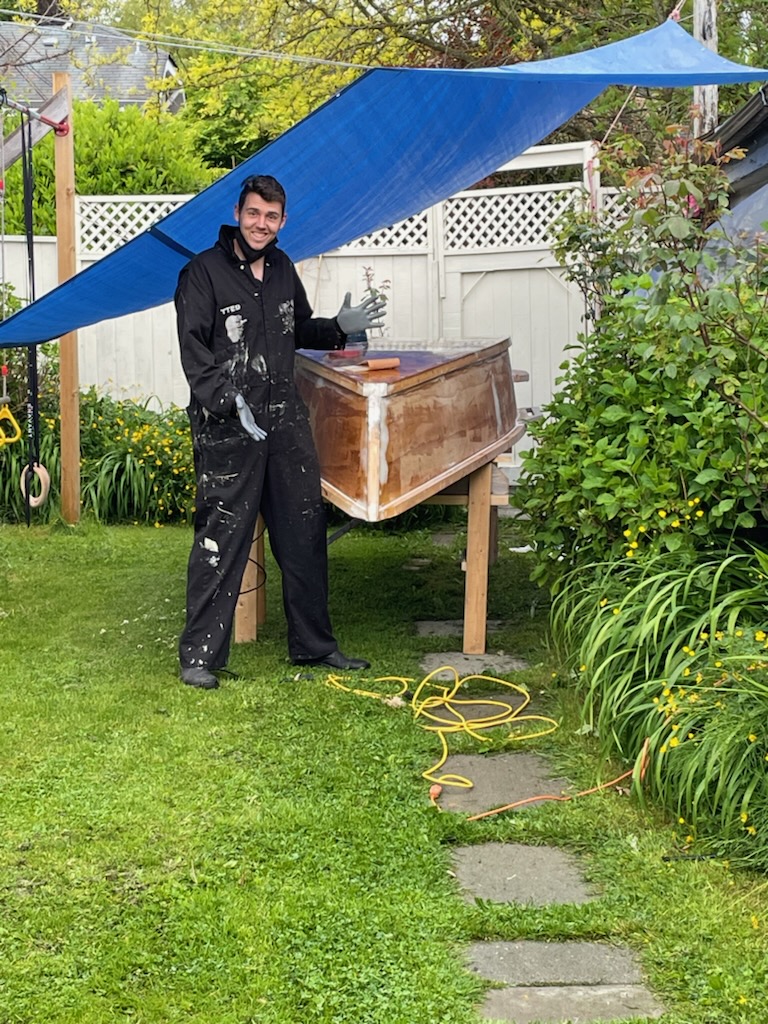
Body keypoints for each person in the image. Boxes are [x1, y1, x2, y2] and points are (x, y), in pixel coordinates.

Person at [175, 174, 385, 690]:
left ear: (282, 221)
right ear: (238, 213)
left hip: (285, 422)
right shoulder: (201, 274)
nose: (261, 225)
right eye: (253, 214)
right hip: (228, 429)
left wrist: (339, 325)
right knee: (222, 537)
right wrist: (228, 402)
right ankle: (199, 656)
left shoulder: (285, 269)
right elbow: (194, 354)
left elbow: (299, 330)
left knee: (304, 533)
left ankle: (315, 647)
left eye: (271, 217)